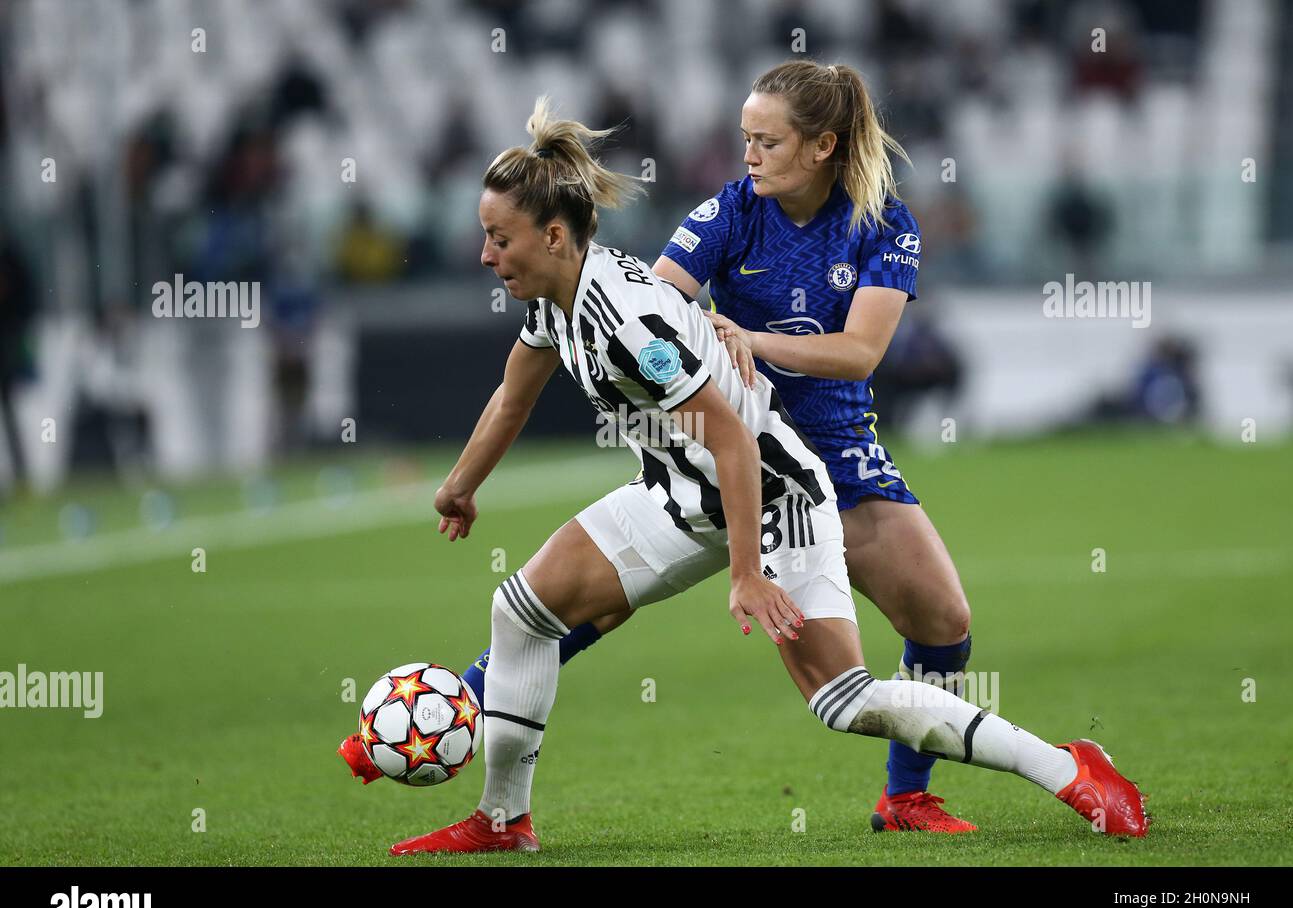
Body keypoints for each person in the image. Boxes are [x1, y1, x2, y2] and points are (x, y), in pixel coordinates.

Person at [343, 98, 1148, 854]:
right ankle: (502, 821)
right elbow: (513, 395)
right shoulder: (558, 300)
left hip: (774, 496)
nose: (485, 254)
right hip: (679, 494)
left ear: (555, 236)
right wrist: (460, 484)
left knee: (844, 702)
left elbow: (732, 441)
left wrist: (747, 575)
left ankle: (1071, 769)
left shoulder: (631, 326)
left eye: (499, 239)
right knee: (521, 613)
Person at [459, 60, 969, 833]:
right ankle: (458, 708)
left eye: (766, 140)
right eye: (744, 138)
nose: (749, 155)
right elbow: (651, 303)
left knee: (941, 622)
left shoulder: (883, 224)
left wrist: (749, 338)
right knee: (575, 608)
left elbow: (861, 353)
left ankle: (905, 799)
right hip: (733, 457)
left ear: (823, 145)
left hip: (832, 454)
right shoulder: (731, 211)